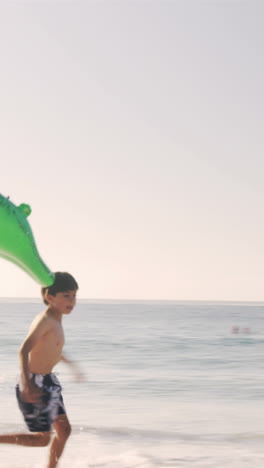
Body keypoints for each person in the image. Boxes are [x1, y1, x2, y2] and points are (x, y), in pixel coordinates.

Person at [0, 271, 81, 468]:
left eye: (74, 295)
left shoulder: (56, 319)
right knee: (42, 439)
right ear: (49, 297)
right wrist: (27, 384)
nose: (72, 300)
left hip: (48, 381)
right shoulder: (45, 320)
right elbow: (24, 350)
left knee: (64, 431)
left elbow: (49, 349)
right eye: (66, 296)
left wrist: (70, 364)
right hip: (34, 382)